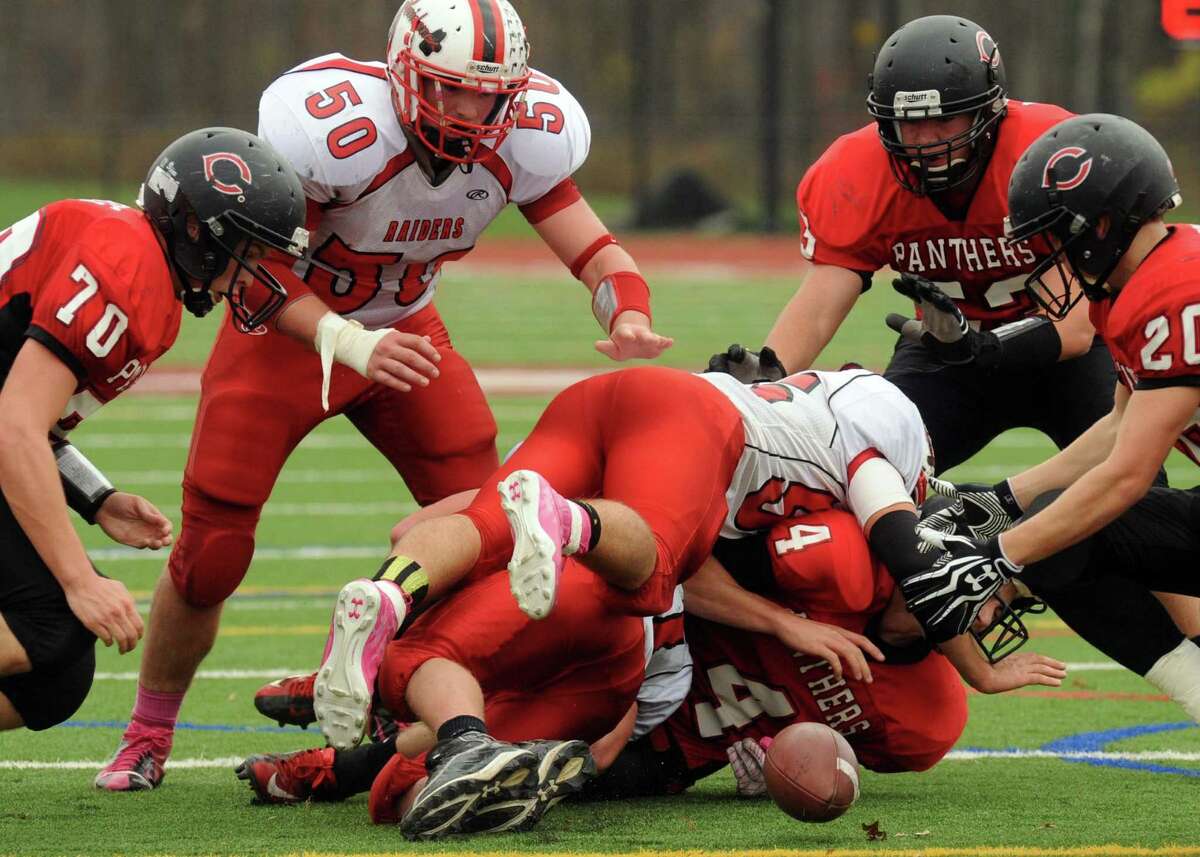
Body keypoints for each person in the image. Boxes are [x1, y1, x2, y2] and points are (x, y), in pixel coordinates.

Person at [98, 0, 673, 791]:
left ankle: (380, 689)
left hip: (408, 338)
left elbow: (597, 250)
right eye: (451, 90)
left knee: (489, 528)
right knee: (211, 556)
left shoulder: (523, 139)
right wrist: (347, 338)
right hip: (288, 340)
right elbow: (257, 271)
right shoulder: (333, 130)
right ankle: (147, 733)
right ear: (405, 72)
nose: (472, 113)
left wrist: (627, 310)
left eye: (489, 95)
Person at [0, 126, 314, 733]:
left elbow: (21, 416)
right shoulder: (128, 270)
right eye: (247, 252)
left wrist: (98, 498)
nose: (250, 276)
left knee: (55, 679)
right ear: (198, 229)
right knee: (51, 629)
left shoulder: (137, 259)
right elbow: (14, 424)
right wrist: (77, 579)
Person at [901, 114, 1200, 723]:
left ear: (1104, 225)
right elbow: (1119, 427)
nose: (1045, 258)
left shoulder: (1177, 290)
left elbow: (1128, 477)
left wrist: (993, 558)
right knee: (1056, 533)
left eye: (1054, 237)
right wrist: (1009, 500)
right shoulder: (1142, 279)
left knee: (1053, 537)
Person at [733, 15, 1109, 476]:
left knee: (1132, 494)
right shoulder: (859, 169)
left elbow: (1076, 327)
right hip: (945, 353)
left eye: (943, 119)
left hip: (1068, 354)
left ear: (987, 111)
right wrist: (769, 376)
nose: (925, 141)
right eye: (908, 124)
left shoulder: (1042, 153)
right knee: (862, 474)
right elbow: (820, 302)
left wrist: (983, 346)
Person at [586, 507, 1066, 800]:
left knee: (563, 771)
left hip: (669, 755)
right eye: (986, 592)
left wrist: (785, 769)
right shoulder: (843, 558)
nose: (983, 619)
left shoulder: (930, 721)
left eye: (1001, 608)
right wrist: (783, 623)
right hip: (637, 648)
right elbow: (675, 565)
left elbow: (816, 763)